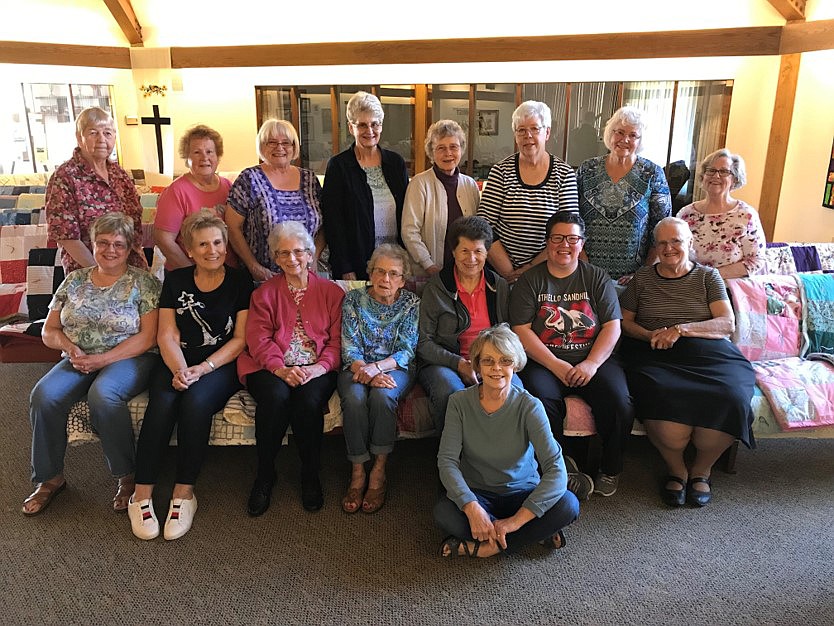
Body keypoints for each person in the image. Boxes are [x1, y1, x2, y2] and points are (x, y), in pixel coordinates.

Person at [22, 213, 160, 516]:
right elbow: (49, 330)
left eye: (119, 245)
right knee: (43, 396)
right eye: (103, 243)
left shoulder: (144, 282)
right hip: (78, 357)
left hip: (129, 356)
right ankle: (49, 478)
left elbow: (149, 337)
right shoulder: (74, 280)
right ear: (92, 244)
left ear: (130, 248)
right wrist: (70, 348)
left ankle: (126, 475)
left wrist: (104, 359)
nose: (110, 250)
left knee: (104, 395)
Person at [129, 210, 251, 540]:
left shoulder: (240, 282)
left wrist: (204, 368)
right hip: (176, 360)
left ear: (226, 246)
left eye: (217, 243)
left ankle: (184, 493)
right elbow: (166, 334)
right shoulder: (177, 280)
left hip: (219, 364)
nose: (212, 250)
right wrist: (181, 369)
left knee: (195, 403)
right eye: (203, 244)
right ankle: (141, 494)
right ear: (190, 249)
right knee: (163, 404)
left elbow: (239, 339)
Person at [619, 217, 755, 507]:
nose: (669, 248)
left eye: (676, 241)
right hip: (655, 355)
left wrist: (681, 329)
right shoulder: (642, 279)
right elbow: (624, 322)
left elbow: (726, 323)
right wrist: (651, 336)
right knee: (659, 394)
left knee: (732, 396)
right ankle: (676, 469)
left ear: (689, 243)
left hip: (711, 355)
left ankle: (702, 469)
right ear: (655, 248)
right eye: (663, 243)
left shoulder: (708, 277)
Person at [510, 212, 634, 499]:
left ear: (582, 244)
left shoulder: (596, 277)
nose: (564, 244)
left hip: (594, 359)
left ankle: (610, 467)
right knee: (539, 401)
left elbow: (613, 326)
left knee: (620, 401)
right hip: (544, 360)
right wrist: (555, 364)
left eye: (572, 238)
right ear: (547, 242)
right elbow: (521, 330)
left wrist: (591, 364)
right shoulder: (531, 281)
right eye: (557, 238)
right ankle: (558, 465)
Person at [434, 324, 579, 558]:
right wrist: (472, 508)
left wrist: (514, 522)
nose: (496, 368)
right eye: (488, 361)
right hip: (479, 494)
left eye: (505, 361)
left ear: (516, 364)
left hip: (522, 494)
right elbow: (447, 461)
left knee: (568, 504)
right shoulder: (458, 403)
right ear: (477, 365)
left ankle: (485, 547)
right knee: (443, 511)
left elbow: (556, 469)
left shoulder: (530, 406)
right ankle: (529, 536)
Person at [239, 221, 344, 516]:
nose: (292, 259)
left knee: (308, 401)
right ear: (275, 257)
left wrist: (319, 368)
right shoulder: (264, 294)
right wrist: (279, 369)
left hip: (317, 368)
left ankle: (310, 474)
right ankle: (265, 474)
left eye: (298, 251)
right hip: (269, 366)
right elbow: (257, 340)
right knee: (275, 398)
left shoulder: (332, 292)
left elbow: (337, 342)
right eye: (283, 253)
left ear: (310, 254)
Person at [339, 244, 419, 514]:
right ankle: (358, 470)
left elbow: (407, 350)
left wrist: (377, 370)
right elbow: (349, 347)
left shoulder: (411, 304)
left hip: (395, 365)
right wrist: (367, 371)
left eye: (394, 274)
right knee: (353, 397)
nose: (386, 279)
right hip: (357, 365)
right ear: (370, 274)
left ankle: (379, 471)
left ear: (403, 280)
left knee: (384, 397)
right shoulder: (353, 300)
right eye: (380, 272)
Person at [417, 216, 515, 433]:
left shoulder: (498, 286)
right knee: (450, 392)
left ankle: (503, 459)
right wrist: (460, 364)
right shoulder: (436, 288)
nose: (471, 258)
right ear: (453, 252)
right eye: (464, 251)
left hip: (491, 359)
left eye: (478, 251)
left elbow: (507, 333)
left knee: (514, 391)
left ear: (487, 253)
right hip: (443, 363)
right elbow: (424, 342)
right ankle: (451, 457)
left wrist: (490, 363)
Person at [478, 100, 578, 284]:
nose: (528, 135)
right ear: (515, 135)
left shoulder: (564, 174)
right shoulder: (501, 171)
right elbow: (485, 226)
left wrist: (530, 271)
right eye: (521, 130)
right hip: (501, 273)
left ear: (547, 132)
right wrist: (509, 273)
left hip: (547, 272)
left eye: (534, 128)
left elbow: (568, 231)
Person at [45, 106, 148, 274]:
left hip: (131, 270)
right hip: (89, 273)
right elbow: (66, 236)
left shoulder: (120, 174)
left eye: (107, 133)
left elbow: (134, 226)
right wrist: (101, 274)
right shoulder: (65, 176)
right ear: (80, 138)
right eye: (93, 133)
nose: (101, 139)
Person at [577, 106, 672, 285]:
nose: (625, 139)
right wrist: (583, 262)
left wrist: (644, 272)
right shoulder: (586, 169)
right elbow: (574, 219)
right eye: (619, 132)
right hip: (586, 273)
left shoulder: (652, 173)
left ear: (640, 140)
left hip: (632, 279)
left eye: (633, 135)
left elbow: (661, 228)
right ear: (609, 134)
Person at [322, 91, 409, 280]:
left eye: (374, 124)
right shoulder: (339, 166)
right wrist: (345, 267)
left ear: (381, 126)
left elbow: (406, 213)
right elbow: (333, 222)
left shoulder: (395, 163)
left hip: (393, 264)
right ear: (350, 127)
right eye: (362, 125)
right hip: (356, 264)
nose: (369, 131)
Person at [226, 119, 323, 282]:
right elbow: (231, 226)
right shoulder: (249, 179)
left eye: (286, 143)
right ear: (262, 146)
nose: (280, 148)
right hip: (263, 277)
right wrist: (254, 266)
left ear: (294, 147)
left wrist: (313, 258)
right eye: (272, 142)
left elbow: (324, 225)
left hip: (305, 276)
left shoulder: (310, 179)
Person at [401, 120, 480, 275]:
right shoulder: (419, 184)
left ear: (461, 149)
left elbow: (477, 231)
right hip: (428, 273)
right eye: (441, 148)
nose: (448, 153)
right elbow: (409, 232)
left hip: (464, 273)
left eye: (453, 147)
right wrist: (428, 264)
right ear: (432, 152)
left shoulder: (470, 185)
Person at [154, 125, 236, 271]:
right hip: (189, 273)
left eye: (210, 152)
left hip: (226, 273)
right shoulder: (176, 191)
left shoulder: (228, 186)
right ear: (187, 158)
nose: (205, 158)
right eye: (197, 152)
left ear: (218, 156)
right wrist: (193, 274)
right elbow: (164, 240)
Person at [677, 148, 766, 278]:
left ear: (734, 179)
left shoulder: (746, 215)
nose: (716, 176)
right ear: (703, 177)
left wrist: (711, 276)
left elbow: (756, 261)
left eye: (724, 171)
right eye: (711, 170)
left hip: (729, 290)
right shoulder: (685, 214)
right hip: (690, 287)